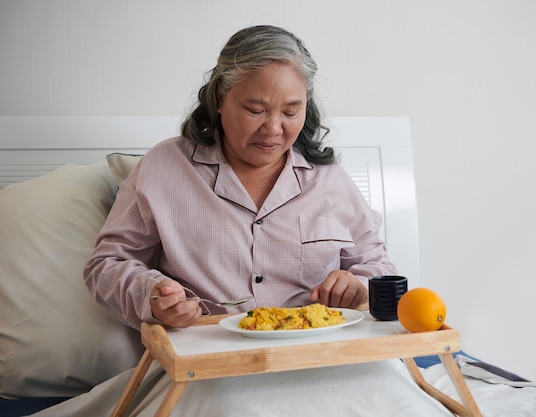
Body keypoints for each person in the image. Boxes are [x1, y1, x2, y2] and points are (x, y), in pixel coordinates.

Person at [84, 25, 397, 330]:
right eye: (255, 110)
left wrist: (359, 285)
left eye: (290, 112)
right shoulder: (164, 168)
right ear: (220, 98)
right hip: (211, 361)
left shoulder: (329, 179)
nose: (273, 129)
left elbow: (379, 266)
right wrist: (152, 296)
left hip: (319, 356)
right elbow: (106, 266)